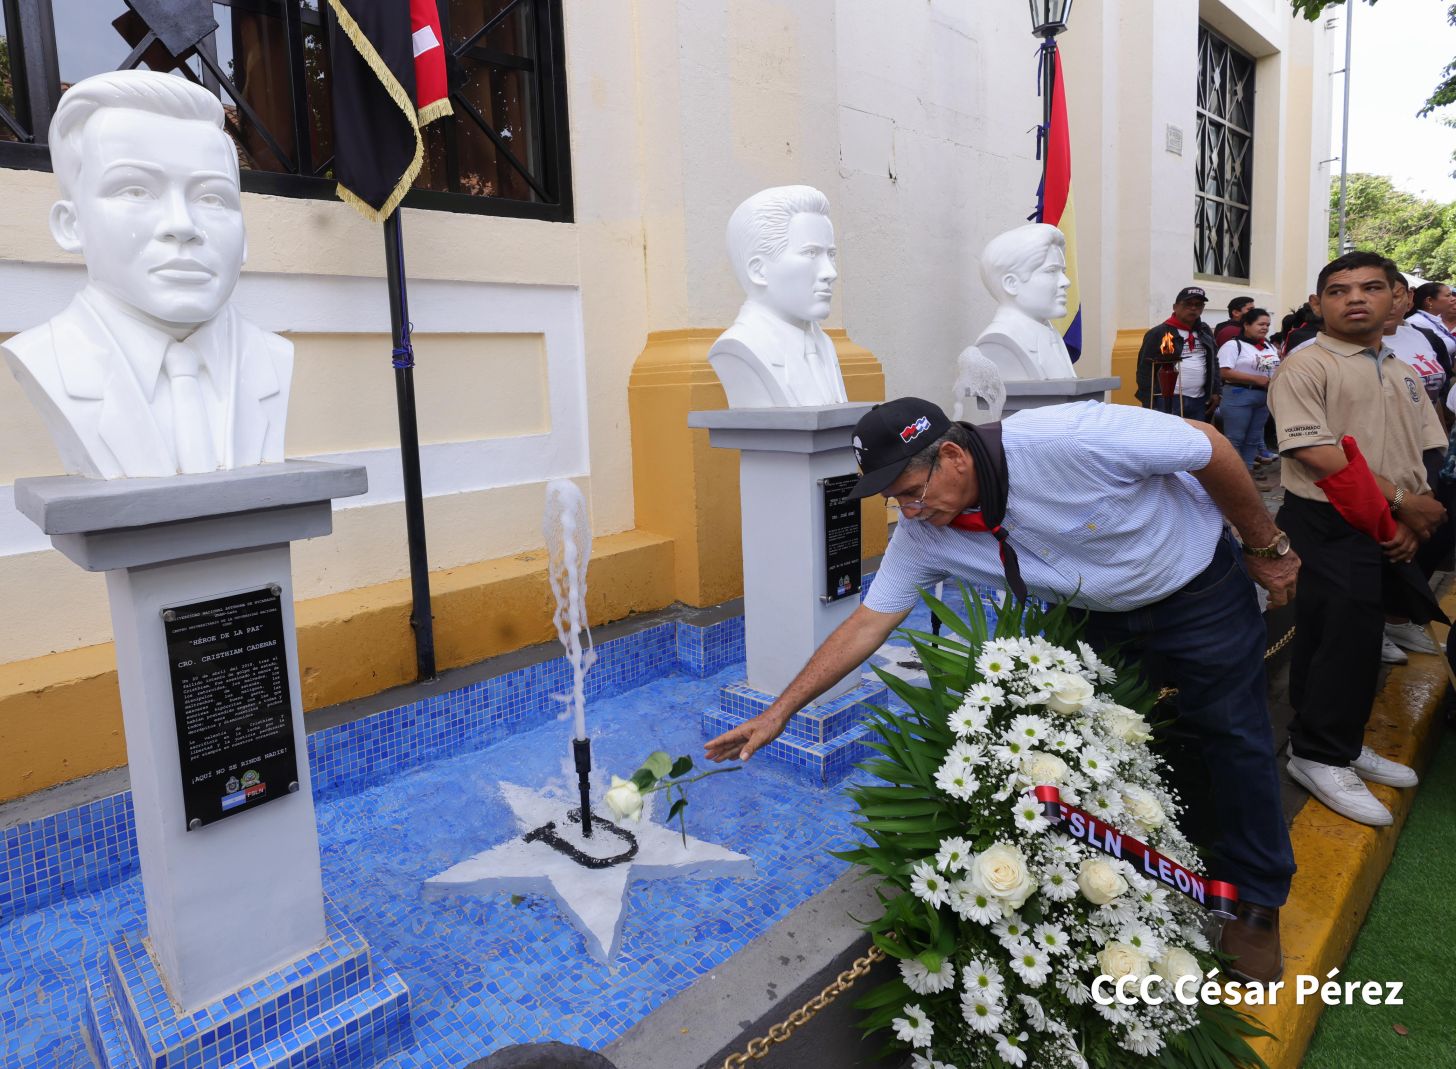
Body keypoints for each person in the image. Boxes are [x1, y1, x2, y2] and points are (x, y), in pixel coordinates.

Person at [707, 395, 1300, 983]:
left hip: (1193, 585)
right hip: (1099, 615)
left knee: (1233, 733)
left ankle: (1256, 900)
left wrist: (1263, 545)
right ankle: (1170, 872)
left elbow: (1209, 446)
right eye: (895, 501)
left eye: (912, 491)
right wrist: (780, 710)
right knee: (1124, 746)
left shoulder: (1063, 438)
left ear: (953, 456)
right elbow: (867, 622)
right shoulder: (924, 536)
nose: (908, 512)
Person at [0, 71, 292, 480]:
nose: (182, 224)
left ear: (244, 236)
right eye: (135, 190)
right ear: (71, 225)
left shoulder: (275, 360)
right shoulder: (45, 359)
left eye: (212, 197)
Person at [1269, 252, 1448, 829]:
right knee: (1333, 637)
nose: (1355, 299)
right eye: (1339, 290)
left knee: (1361, 635)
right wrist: (1399, 508)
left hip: (1385, 521)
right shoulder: (1307, 366)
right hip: (1328, 521)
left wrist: (1409, 517)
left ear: (1395, 297)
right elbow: (1316, 455)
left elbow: (1423, 445)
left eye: (1370, 288)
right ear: (1318, 303)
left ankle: (1338, 742)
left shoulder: (1397, 367)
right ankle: (1316, 754)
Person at [707, 185, 849, 409]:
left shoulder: (824, 346)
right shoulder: (740, 347)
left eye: (831, 254)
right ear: (759, 271)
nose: (831, 272)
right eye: (811, 253)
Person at [1134, 287, 1220, 421]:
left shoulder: (1204, 331)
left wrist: (1215, 391)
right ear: (1175, 307)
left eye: (1198, 305)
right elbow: (1144, 369)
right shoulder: (1159, 333)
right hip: (1168, 399)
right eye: (1188, 304)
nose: (1193, 308)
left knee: (1196, 439)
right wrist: (1149, 400)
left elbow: (1214, 361)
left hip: (1200, 399)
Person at [1216, 307, 1279, 479]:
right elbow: (1224, 372)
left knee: (1253, 438)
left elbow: (1271, 368)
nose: (1265, 328)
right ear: (1246, 325)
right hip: (1239, 395)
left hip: (1263, 397)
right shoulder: (1233, 345)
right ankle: (1232, 477)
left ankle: (1248, 474)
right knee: (1235, 438)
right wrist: (1256, 379)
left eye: (1267, 324)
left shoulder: (1268, 345)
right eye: (1260, 324)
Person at [1408, 281, 1456, 363]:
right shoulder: (1416, 323)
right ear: (1429, 300)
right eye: (1448, 295)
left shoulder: (1435, 321)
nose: (1454, 299)